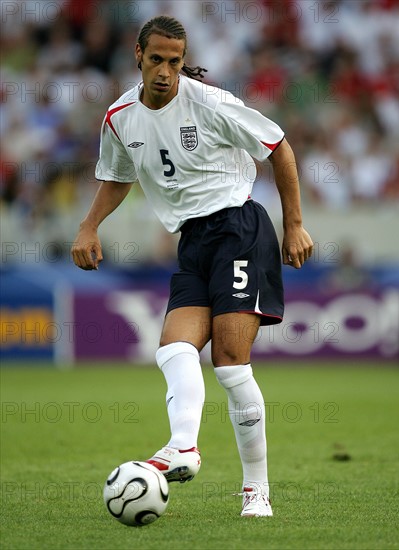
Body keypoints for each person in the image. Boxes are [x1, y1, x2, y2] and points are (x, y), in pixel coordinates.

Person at [71, 15, 313, 517]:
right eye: (156, 59)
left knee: (228, 361)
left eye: (174, 61)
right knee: (174, 348)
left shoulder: (210, 103)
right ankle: (184, 446)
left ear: (184, 61)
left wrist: (294, 224)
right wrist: (88, 226)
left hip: (239, 228)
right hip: (193, 241)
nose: (165, 70)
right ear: (137, 55)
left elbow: (279, 148)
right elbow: (118, 176)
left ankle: (255, 489)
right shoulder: (119, 117)